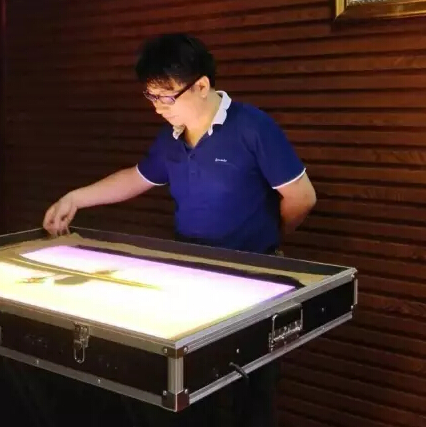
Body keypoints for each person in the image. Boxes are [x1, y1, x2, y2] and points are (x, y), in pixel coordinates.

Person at [43, 33, 317, 427]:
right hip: (192, 277)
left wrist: (271, 239)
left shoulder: (252, 127)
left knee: (253, 394)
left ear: (201, 85)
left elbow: (302, 197)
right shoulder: (171, 137)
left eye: (166, 96)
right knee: (195, 387)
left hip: (254, 279)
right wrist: (76, 198)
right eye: (151, 96)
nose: (157, 107)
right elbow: (137, 177)